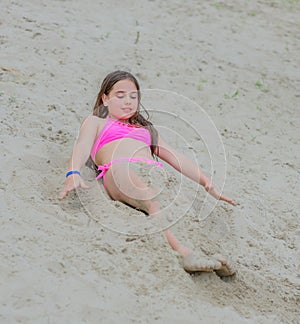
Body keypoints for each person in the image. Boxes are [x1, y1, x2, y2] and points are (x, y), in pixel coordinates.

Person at [60, 70, 236, 277]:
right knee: (153, 201)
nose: (128, 101)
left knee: (181, 208)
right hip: (120, 167)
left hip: (153, 173)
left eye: (133, 96)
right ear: (105, 99)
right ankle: (184, 253)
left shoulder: (145, 129)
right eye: (120, 95)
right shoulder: (95, 122)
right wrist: (73, 172)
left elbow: (175, 156)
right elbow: (81, 146)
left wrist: (206, 181)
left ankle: (207, 256)